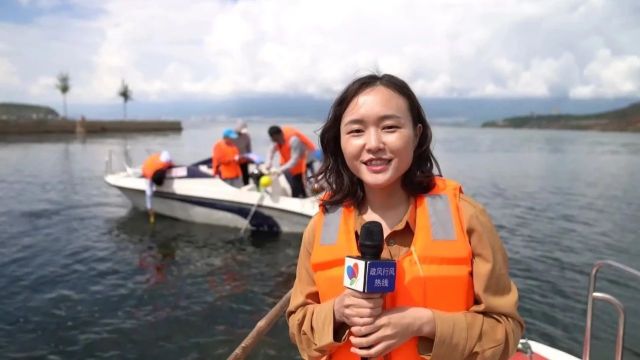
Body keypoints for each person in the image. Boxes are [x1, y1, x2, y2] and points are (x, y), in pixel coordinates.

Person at [286, 74, 523, 359]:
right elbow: (299, 328)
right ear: (339, 140)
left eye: (390, 127)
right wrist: (337, 311)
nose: (373, 143)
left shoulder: (465, 217)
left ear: (417, 133)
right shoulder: (322, 226)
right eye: (356, 131)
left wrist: (423, 323)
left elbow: (506, 333)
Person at [265, 125, 317, 198]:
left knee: (306, 183)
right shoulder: (276, 140)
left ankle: (308, 196)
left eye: (276, 139)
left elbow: (294, 160)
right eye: (274, 140)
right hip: (289, 161)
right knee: (294, 184)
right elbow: (271, 151)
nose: (276, 142)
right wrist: (268, 163)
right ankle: (297, 195)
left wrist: (279, 170)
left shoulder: (293, 140)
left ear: (280, 134)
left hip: (305, 159)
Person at [141, 150, 173, 224]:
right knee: (150, 190)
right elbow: (148, 193)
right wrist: (149, 208)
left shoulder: (165, 162)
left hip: (156, 161)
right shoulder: (148, 175)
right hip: (147, 167)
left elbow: (166, 152)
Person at [232, 119, 252, 185]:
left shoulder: (247, 136)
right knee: (236, 178)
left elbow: (249, 148)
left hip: (244, 160)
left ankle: (246, 187)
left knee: (245, 177)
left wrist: (250, 157)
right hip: (234, 161)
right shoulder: (231, 137)